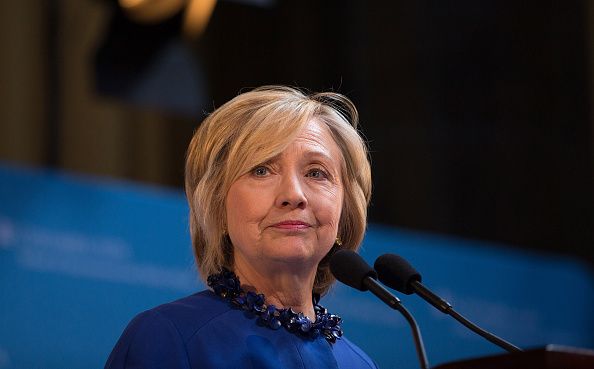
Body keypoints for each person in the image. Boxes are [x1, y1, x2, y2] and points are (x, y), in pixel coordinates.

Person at [104, 86, 375, 369]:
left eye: (316, 173)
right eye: (261, 170)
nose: (294, 195)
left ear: (345, 213)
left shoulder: (360, 364)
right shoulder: (168, 338)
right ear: (218, 207)